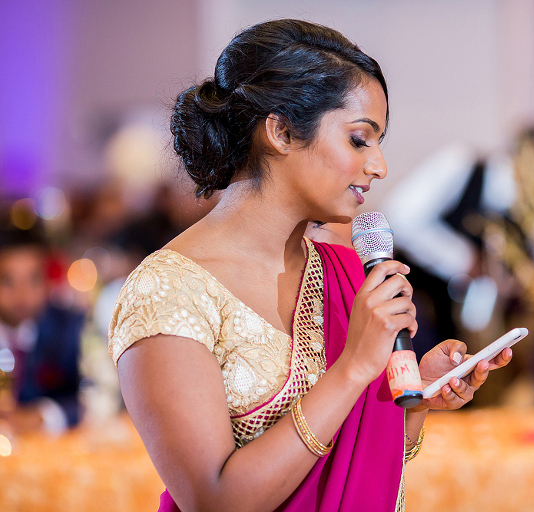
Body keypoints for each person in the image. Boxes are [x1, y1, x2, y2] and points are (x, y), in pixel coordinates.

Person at [108, 20, 512, 512]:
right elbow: (216, 501)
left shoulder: (341, 268)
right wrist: (356, 368)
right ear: (279, 132)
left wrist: (412, 398)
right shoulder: (167, 291)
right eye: (360, 140)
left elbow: (355, 468)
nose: (379, 165)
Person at [0, 224, 83, 434]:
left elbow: (92, 397)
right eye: (7, 281)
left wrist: (42, 417)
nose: (22, 294)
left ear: (47, 280)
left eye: (33, 280)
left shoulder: (69, 327)